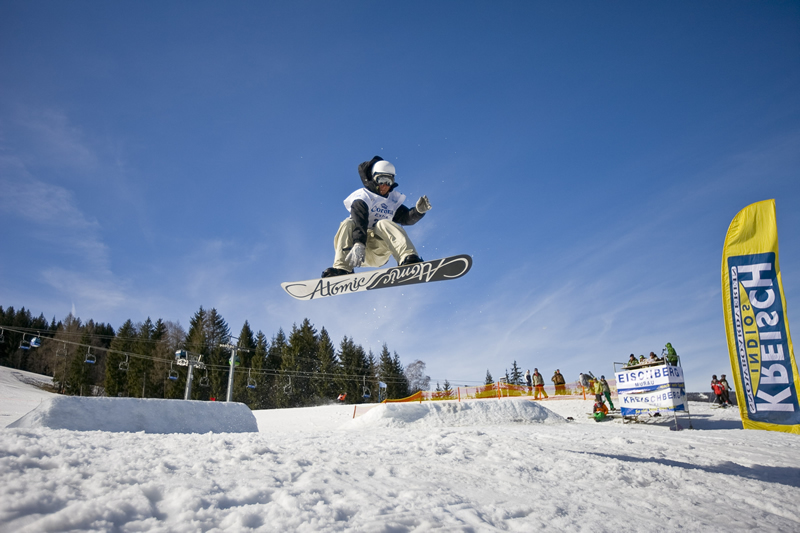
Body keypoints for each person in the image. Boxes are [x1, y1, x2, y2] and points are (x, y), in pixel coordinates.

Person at [321, 156, 432, 278]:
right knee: (348, 223)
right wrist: (359, 243)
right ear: (374, 179)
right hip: (355, 252)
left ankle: (408, 258)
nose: (385, 185)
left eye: (389, 181)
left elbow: (406, 218)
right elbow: (360, 220)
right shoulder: (363, 197)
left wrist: (418, 211)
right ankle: (342, 269)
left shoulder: (391, 201)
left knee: (383, 223)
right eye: (381, 180)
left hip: (379, 251)